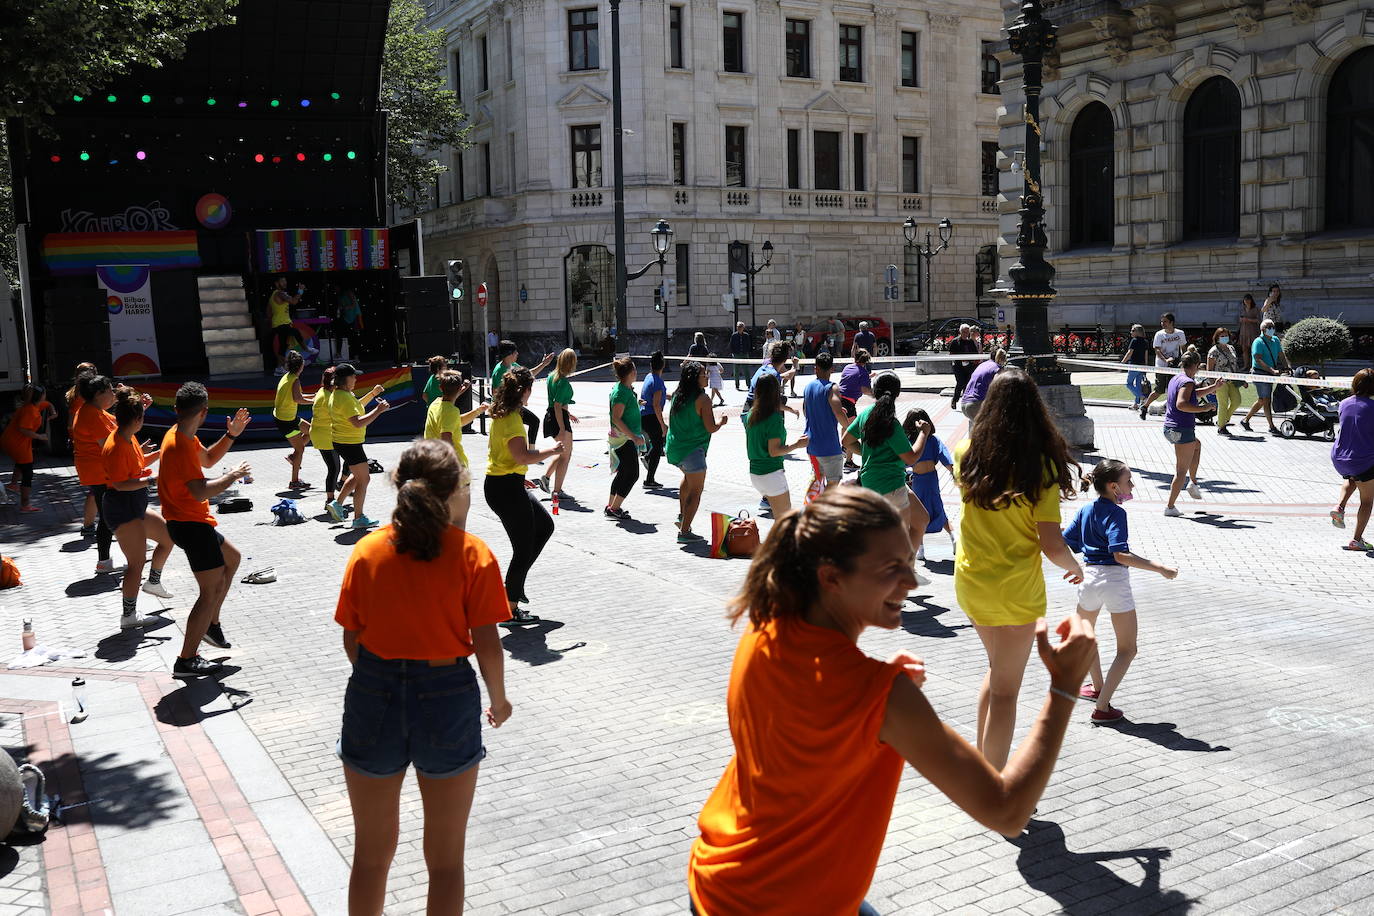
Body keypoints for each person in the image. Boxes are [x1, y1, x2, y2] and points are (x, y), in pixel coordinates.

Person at [686, 487, 1098, 915]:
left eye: (910, 561)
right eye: (891, 567)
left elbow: (810, 725)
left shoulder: (766, 626)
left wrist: (881, 691)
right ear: (831, 577)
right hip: (787, 902)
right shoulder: (878, 694)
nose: (912, 581)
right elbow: (1008, 811)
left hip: (722, 878)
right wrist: (1063, 689)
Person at [334, 439, 511, 915]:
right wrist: (499, 698)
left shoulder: (367, 551)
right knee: (446, 861)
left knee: (371, 856)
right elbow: (487, 643)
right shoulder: (473, 554)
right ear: (455, 489)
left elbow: (353, 638)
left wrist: (382, 677)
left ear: (398, 485)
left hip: (374, 690)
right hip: (448, 696)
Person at [953, 367, 1084, 769]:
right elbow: (1050, 543)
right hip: (1015, 591)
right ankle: (992, 786)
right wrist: (1075, 566)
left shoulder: (966, 451)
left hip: (971, 580)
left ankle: (980, 766)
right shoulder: (1040, 467)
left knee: (996, 673)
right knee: (1007, 690)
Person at [1063, 460, 1178, 723]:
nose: (1132, 486)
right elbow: (1120, 555)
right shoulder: (1116, 513)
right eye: (1128, 482)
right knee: (1127, 649)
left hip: (1089, 580)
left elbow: (1065, 540)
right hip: (1113, 580)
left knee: (1087, 637)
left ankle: (1097, 688)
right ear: (1114, 486)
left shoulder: (1085, 509)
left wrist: (1075, 566)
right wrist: (1159, 567)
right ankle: (1102, 708)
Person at [159, 384, 252, 676]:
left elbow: (208, 459)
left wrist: (231, 435)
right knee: (208, 592)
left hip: (189, 521)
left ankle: (212, 626)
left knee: (232, 558)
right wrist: (232, 476)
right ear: (204, 412)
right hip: (190, 525)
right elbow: (200, 491)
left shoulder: (181, 435)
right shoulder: (179, 445)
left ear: (177, 409)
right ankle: (187, 659)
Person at [485, 368, 564, 624]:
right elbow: (522, 456)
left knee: (544, 526)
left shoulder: (504, 413)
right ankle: (509, 606)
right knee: (523, 548)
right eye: (531, 389)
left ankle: (513, 587)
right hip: (504, 488)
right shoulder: (512, 419)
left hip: (508, 482)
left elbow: (510, 457)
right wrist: (552, 450)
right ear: (524, 391)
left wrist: (520, 474)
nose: (532, 394)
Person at [842, 372, 932, 583]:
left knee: (922, 519)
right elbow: (911, 458)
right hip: (891, 486)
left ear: (874, 392)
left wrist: (866, 453)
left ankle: (907, 569)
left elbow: (846, 440)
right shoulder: (891, 423)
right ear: (897, 394)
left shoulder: (866, 414)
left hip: (876, 482)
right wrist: (923, 433)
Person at [101, 386, 175, 631]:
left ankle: (153, 583)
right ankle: (129, 616)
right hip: (122, 508)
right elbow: (120, 484)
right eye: (142, 415)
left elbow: (139, 462)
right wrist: (150, 480)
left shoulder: (126, 434)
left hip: (135, 504)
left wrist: (163, 454)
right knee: (135, 564)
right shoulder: (116, 445)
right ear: (136, 420)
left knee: (168, 538)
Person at [665, 360, 726, 543]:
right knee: (696, 491)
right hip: (692, 450)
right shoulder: (703, 399)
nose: (707, 375)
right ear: (694, 378)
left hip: (675, 448)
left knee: (687, 480)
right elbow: (710, 427)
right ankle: (684, 532)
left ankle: (681, 517)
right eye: (703, 374)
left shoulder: (678, 394)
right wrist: (721, 423)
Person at [328, 364, 391, 529]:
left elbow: (357, 406)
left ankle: (337, 504)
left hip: (345, 442)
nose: (356, 378)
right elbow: (357, 422)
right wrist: (378, 410)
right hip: (350, 444)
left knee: (357, 476)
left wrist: (372, 394)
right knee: (364, 478)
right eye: (353, 376)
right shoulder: (345, 398)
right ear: (345, 379)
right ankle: (358, 518)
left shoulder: (342, 394)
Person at [1162, 350, 1223, 517]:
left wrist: (1213, 388)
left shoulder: (1177, 378)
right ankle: (1170, 506)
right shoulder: (1188, 382)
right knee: (1180, 471)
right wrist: (1204, 408)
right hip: (1181, 429)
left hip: (1170, 428)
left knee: (1197, 445)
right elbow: (1182, 404)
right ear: (1196, 365)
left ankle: (1193, 483)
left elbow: (1192, 395)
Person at [72, 374, 120, 574]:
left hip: (99, 471)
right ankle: (103, 561)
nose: (113, 394)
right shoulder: (91, 414)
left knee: (109, 515)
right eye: (110, 390)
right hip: (100, 472)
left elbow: (120, 425)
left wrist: (138, 408)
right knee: (108, 517)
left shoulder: (94, 410)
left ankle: (106, 560)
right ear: (99, 394)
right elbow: (108, 447)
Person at [743, 373, 808, 517]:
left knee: (780, 521)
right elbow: (774, 451)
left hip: (755, 474)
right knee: (785, 520)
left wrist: (788, 409)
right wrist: (797, 444)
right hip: (771, 473)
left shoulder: (751, 413)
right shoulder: (774, 418)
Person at [902, 409, 956, 560]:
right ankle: (954, 537)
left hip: (918, 480)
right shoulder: (933, 440)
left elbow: (903, 460)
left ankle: (921, 550)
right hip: (932, 479)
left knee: (918, 513)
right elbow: (944, 455)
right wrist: (952, 470)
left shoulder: (910, 442)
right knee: (938, 508)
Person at [1331, 368, 1374, 551]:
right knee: (1367, 500)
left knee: (1352, 479)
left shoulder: (1344, 403)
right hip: (1363, 459)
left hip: (1340, 456)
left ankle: (1339, 507)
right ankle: (1357, 540)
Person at [802, 352, 850, 495]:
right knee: (832, 486)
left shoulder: (808, 387)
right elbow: (838, 412)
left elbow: (806, 411)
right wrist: (849, 427)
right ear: (832, 368)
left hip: (812, 445)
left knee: (817, 482)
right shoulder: (832, 388)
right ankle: (827, 514)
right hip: (829, 446)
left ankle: (812, 509)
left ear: (815, 368)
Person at [606, 357, 647, 520]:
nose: (636, 372)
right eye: (634, 370)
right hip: (623, 439)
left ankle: (611, 507)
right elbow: (616, 418)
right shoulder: (621, 392)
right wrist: (634, 437)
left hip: (624, 438)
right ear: (629, 373)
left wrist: (637, 403)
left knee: (623, 472)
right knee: (632, 474)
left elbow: (625, 408)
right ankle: (614, 508)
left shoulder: (626, 388)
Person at [2, 384, 54, 513]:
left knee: (22, 464)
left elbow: (46, 404)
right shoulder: (30, 411)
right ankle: (25, 505)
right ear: (40, 396)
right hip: (17, 443)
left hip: (11, 441)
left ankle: (13, 485)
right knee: (27, 473)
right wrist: (40, 436)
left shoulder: (33, 405)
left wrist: (52, 409)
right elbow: (23, 429)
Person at [492, 340, 552, 445]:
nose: (517, 354)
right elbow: (495, 392)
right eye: (515, 352)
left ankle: (530, 449)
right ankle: (526, 451)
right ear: (509, 354)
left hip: (514, 405)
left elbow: (527, 374)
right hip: (506, 408)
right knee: (531, 423)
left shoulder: (513, 365)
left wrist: (543, 364)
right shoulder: (499, 371)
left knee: (534, 422)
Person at [424, 370, 486, 468]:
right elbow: (446, 437)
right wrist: (457, 464)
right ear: (459, 388)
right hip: (448, 466)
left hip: (433, 460)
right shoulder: (451, 411)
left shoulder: (435, 404)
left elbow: (456, 422)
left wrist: (478, 410)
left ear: (440, 388)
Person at [65, 362, 100, 535]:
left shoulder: (78, 392)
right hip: (89, 448)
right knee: (96, 490)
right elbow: (73, 424)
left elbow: (70, 424)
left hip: (84, 445)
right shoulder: (84, 397)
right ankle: (90, 526)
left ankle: (91, 526)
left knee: (96, 491)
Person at [1239, 318, 1290, 435]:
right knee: (1266, 399)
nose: (1272, 328)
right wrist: (1272, 370)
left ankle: (1246, 420)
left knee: (1263, 400)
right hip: (1260, 373)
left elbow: (1281, 355)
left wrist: (1287, 367)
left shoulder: (1276, 340)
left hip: (1269, 374)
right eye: (1269, 327)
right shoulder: (1258, 342)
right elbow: (1258, 359)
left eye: (1273, 326)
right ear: (1263, 329)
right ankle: (1271, 426)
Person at [311, 367, 351, 514]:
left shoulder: (323, 392)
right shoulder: (328, 396)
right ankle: (330, 500)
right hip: (325, 436)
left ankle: (341, 483)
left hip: (325, 433)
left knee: (349, 460)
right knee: (333, 468)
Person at [539, 349, 578, 497]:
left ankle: (547, 478)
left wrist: (568, 414)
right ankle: (557, 490)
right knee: (565, 456)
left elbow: (556, 404)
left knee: (562, 452)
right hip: (558, 418)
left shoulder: (551, 377)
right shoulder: (563, 382)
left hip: (553, 416)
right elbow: (557, 405)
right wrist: (562, 427)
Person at [273, 350, 314, 490]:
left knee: (310, 431)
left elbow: (298, 395)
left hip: (288, 417)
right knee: (301, 449)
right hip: (286, 421)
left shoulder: (287, 376)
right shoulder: (295, 380)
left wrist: (314, 396)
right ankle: (294, 481)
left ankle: (293, 456)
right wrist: (315, 401)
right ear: (300, 366)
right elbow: (298, 399)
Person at [1139, 312, 1187, 420]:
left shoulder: (1180, 333)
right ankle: (1145, 407)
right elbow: (1157, 349)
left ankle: (1173, 411)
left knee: (1173, 389)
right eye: (1162, 321)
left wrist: (1184, 360)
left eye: (1165, 321)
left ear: (1171, 322)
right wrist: (1165, 360)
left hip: (1174, 365)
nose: (1162, 323)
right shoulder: (1159, 334)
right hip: (1161, 365)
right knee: (1159, 389)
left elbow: (1183, 347)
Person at [640, 351, 669, 489]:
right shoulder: (657, 381)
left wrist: (669, 396)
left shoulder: (649, 377)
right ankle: (649, 480)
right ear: (662, 365)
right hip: (652, 417)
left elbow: (655, 396)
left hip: (644, 417)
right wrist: (662, 424)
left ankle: (647, 459)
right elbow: (656, 405)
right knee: (658, 447)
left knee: (657, 445)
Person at [1206, 328, 1242, 435]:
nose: (1224, 338)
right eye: (1221, 336)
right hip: (1220, 381)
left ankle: (1223, 419)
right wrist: (1212, 385)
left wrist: (1241, 379)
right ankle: (1221, 427)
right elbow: (1209, 369)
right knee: (1223, 403)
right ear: (1217, 338)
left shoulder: (1231, 348)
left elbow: (1235, 364)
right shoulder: (1213, 351)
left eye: (1226, 335)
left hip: (1232, 380)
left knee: (1237, 401)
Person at [267, 276, 306, 374]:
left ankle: (279, 368)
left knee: (283, 346)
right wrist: (300, 291)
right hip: (281, 323)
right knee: (295, 333)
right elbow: (294, 301)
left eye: (285, 281)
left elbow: (268, 311)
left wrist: (272, 320)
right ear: (276, 283)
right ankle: (306, 348)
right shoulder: (279, 293)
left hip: (280, 323)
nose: (285, 283)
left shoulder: (274, 295)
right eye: (282, 281)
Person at [744, 343, 797, 413]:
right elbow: (775, 404)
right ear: (785, 360)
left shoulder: (763, 368)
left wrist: (794, 366)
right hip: (755, 414)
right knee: (781, 401)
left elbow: (787, 375)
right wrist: (792, 410)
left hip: (747, 409)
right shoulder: (774, 376)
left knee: (782, 399)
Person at [959, 348, 1007, 423]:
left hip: (964, 403)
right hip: (977, 404)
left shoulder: (983, 364)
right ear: (1003, 359)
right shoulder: (997, 368)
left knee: (976, 429)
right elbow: (999, 388)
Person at [949, 324, 982, 409]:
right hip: (958, 366)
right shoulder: (955, 341)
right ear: (960, 332)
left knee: (967, 384)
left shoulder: (970, 342)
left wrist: (973, 360)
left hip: (969, 366)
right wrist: (960, 359)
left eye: (967, 332)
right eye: (964, 332)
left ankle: (964, 402)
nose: (965, 334)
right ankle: (955, 400)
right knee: (960, 382)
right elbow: (951, 355)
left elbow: (975, 354)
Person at [1121, 324, 1151, 410]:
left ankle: (1142, 397)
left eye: (1133, 330)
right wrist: (1146, 366)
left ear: (1138, 332)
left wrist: (1122, 363)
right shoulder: (1145, 342)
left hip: (1134, 365)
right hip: (1142, 366)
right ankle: (1136, 404)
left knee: (1128, 384)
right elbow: (1146, 355)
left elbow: (1129, 353)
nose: (1131, 332)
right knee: (1138, 385)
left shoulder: (1134, 340)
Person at [838, 348, 874, 418]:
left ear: (855, 357)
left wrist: (868, 377)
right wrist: (876, 395)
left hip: (838, 398)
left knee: (846, 426)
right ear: (866, 361)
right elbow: (865, 390)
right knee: (853, 427)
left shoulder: (847, 367)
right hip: (848, 402)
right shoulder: (863, 372)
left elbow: (853, 377)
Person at [336, 285, 363, 359]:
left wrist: (346, 307)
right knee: (340, 333)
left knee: (354, 336)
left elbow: (354, 304)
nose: (336, 289)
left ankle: (356, 355)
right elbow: (340, 306)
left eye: (336, 287)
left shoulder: (348, 292)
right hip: (346, 317)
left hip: (355, 316)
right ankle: (339, 353)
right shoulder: (339, 296)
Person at [1238, 293, 1262, 370]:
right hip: (1243, 331)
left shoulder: (1255, 309)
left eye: (1248, 299)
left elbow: (1258, 320)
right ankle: (1246, 365)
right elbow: (1239, 319)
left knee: (1253, 349)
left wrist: (1248, 320)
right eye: (1245, 300)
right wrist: (1241, 320)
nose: (1247, 301)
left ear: (1251, 300)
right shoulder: (1242, 309)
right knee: (1244, 349)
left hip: (1253, 332)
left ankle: (1254, 366)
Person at [729, 322, 751, 390]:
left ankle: (748, 384)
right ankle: (737, 385)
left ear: (743, 328)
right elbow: (731, 344)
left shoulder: (746, 335)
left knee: (746, 370)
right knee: (736, 371)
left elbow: (748, 344)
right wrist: (733, 352)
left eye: (740, 327)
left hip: (744, 354)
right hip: (737, 354)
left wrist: (747, 351)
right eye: (738, 327)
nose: (739, 328)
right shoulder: (734, 335)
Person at [790, 322, 807, 396]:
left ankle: (802, 369)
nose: (798, 327)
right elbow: (794, 341)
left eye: (799, 325)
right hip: (796, 348)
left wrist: (802, 347)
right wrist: (796, 346)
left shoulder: (804, 333)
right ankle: (798, 368)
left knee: (802, 357)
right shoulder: (795, 333)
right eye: (797, 326)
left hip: (802, 347)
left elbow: (804, 340)